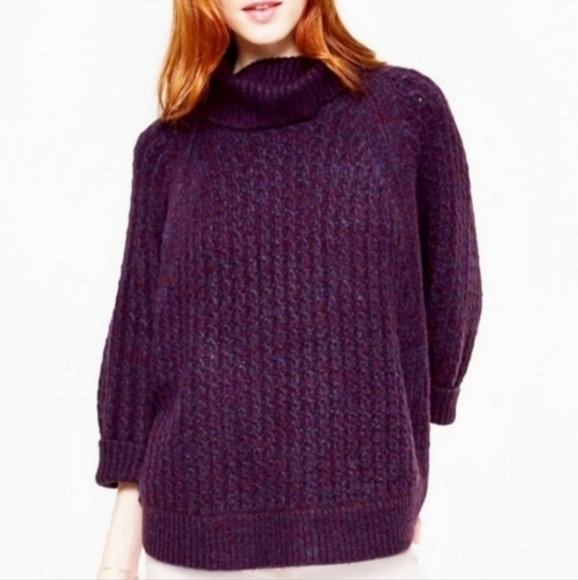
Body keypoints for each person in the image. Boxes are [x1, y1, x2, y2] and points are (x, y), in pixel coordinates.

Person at [94, 0, 483, 578]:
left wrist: (400, 456)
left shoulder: (405, 112)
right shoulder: (168, 149)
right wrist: (116, 563)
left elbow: (451, 288)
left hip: (364, 540)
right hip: (194, 541)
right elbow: (138, 350)